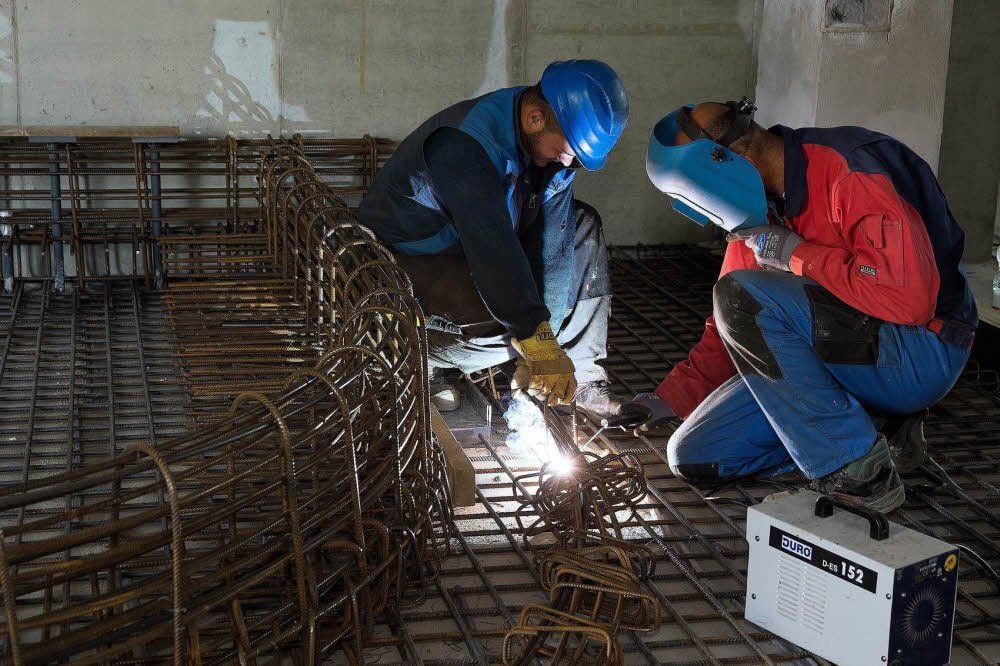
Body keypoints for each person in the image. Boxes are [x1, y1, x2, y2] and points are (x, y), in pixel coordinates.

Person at [619, 98, 977, 512]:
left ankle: (863, 475)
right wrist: (668, 399)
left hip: (920, 350)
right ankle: (876, 424)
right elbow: (730, 327)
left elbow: (906, 302)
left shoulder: (851, 171)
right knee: (696, 454)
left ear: (732, 158)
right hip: (834, 356)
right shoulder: (758, 210)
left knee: (744, 296)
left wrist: (798, 254)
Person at [358, 60, 629, 419]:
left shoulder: (554, 155)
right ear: (535, 119)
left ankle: (579, 376)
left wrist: (545, 340)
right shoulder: (463, 143)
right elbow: (490, 243)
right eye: (568, 151)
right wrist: (532, 334)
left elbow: (555, 245)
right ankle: (420, 359)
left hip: (468, 251)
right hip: (402, 267)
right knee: (505, 314)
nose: (569, 161)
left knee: (582, 226)